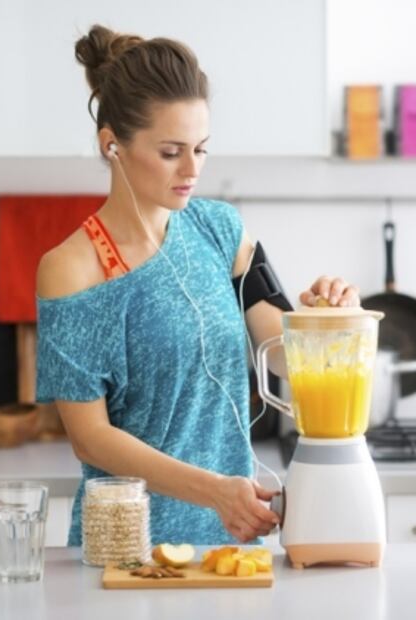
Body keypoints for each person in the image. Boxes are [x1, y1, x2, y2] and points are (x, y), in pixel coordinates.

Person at [36, 25, 360, 546]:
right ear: (112, 144)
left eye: (201, 149)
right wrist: (214, 492)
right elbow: (90, 439)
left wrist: (327, 317)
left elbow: (282, 355)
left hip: (230, 548)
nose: (192, 169)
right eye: (170, 152)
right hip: (126, 552)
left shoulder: (221, 230)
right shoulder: (72, 268)